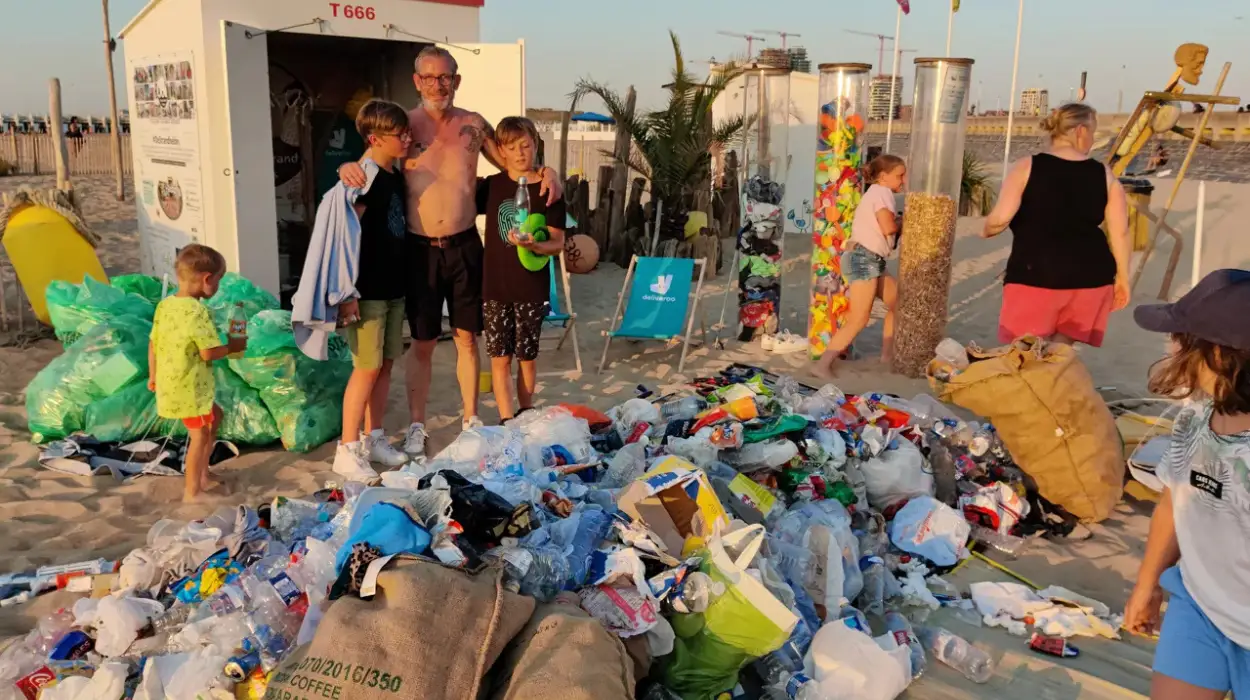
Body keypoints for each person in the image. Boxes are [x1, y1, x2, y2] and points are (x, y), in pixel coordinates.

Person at [339, 46, 563, 456]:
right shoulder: (403, 127)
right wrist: (344, 169)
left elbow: (514, 164)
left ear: (457, 81)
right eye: (429, 77)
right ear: (416, 81)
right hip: (419, 249)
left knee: (466, 337)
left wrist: (550, 172)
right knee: (422, 342)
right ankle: (417, 425)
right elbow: (368, 163)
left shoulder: (474, 126)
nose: (437, 85)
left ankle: (470, 417)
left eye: (445, 77)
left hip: (465, 246)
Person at [1123, 268, 1250, 700]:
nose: (1172, 346)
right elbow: (1174, 501)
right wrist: (1148, 584)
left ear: (1218, 354)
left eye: (1181, 337)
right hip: (1199, 607)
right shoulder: (1196, 415)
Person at [983, 103, 1132, 348]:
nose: (1092, 140)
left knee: (1026, 349)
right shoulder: (1103, 174)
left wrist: (986, 229)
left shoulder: (1028, 166)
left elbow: (1000, 219)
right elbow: (1120, 231)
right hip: (1090, 275)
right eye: (1093, 133)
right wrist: (1123, 278)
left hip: (1035, 272)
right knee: (1061, 350)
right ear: (1081, 131)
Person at [327, 99, 414, 481]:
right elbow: (344, 236)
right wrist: (346, 292)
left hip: (395, 285)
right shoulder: (363, 178)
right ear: (375, 137)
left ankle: (373, 436)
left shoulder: (394, 173)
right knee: (365, 368)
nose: (408, 139)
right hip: (367, 290)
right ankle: (346, 448)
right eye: (401, 135)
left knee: (385, 365)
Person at [476, 117, 566, 423]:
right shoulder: (491, 186)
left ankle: (526, 412)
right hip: (495, 286)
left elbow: (557, 241)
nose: (519, 153)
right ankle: (506, 420)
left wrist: (533, 246)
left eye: (525, 145)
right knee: (499, 358)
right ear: (501, 150)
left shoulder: (548, 188)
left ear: (536, 143)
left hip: (531, 286)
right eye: (512, 147)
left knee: (527, 358)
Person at [148, 245, 246, 502]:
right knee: (199, 435)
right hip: (189, 387)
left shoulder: (166, 305)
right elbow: (208, 353)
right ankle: (193, 490)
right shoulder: (197, 311)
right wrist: (233, 347)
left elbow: (153, 343)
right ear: (207, 279)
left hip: (174, 383)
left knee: (215, 417)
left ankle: (204, 474)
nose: (218, 286)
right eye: (219, 280)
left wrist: (153, 375)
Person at [812, 154, 904, 378]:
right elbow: (888, 228)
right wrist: (906, 221)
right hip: (864, 258)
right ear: (883, 177)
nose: (903, 180)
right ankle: (822, 365)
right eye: (899, 176)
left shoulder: (878, 192)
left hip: (871, 259)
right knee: (859, 318)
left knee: (900, 304)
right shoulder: (882, 194)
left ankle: (886, 358)